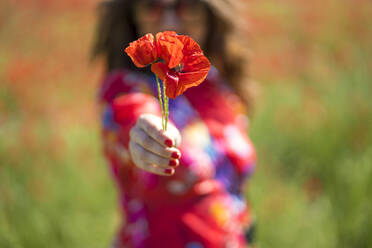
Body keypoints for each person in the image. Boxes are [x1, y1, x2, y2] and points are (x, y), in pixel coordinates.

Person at [92, 0, 257, 247]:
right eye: (151, 6)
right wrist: (153, 134)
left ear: (210, 12)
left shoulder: (217, 86)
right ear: (132, 15)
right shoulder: (124, 89)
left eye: (186, 5)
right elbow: (133, 120)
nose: (169, 23)